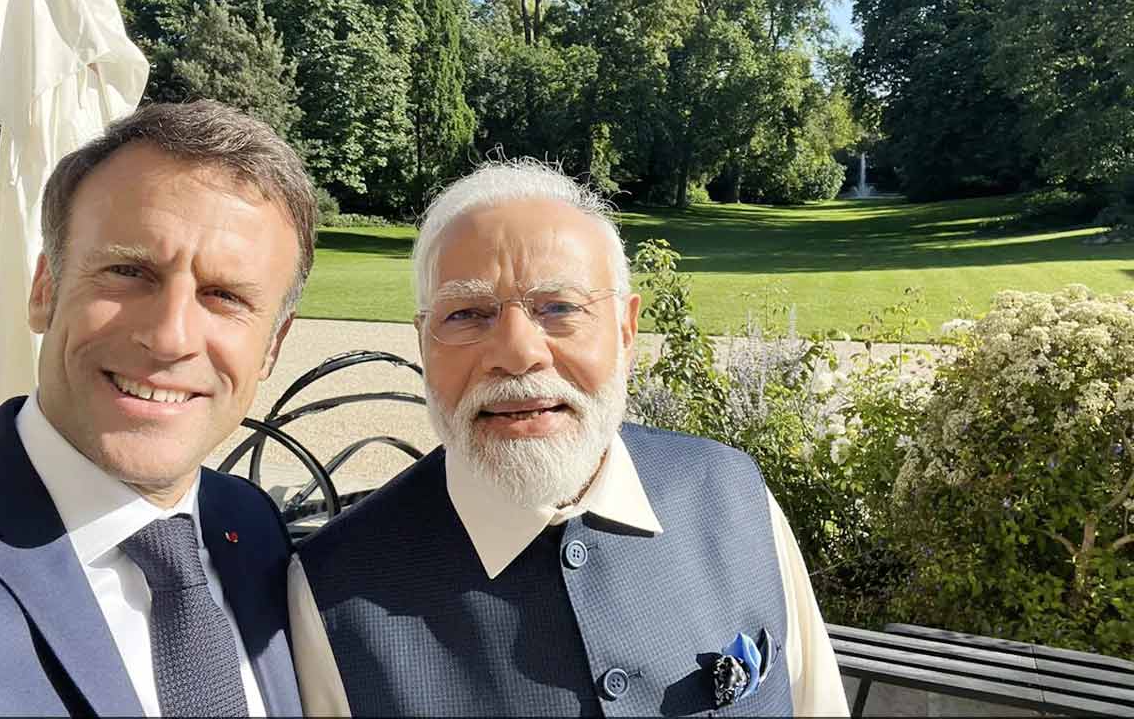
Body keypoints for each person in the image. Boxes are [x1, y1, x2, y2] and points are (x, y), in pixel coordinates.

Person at [288, 159, 850, 716]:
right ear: (422, 342)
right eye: (467, 314)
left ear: (626, 331)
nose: (517, 353)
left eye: (559, 307)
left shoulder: (733, 496)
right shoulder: (330, 594)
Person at [0, 100, 316, 717]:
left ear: (273, 346)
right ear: (44, 290)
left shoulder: (252, 528)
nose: (170, 337)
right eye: (129, 271)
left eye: (225, 295)